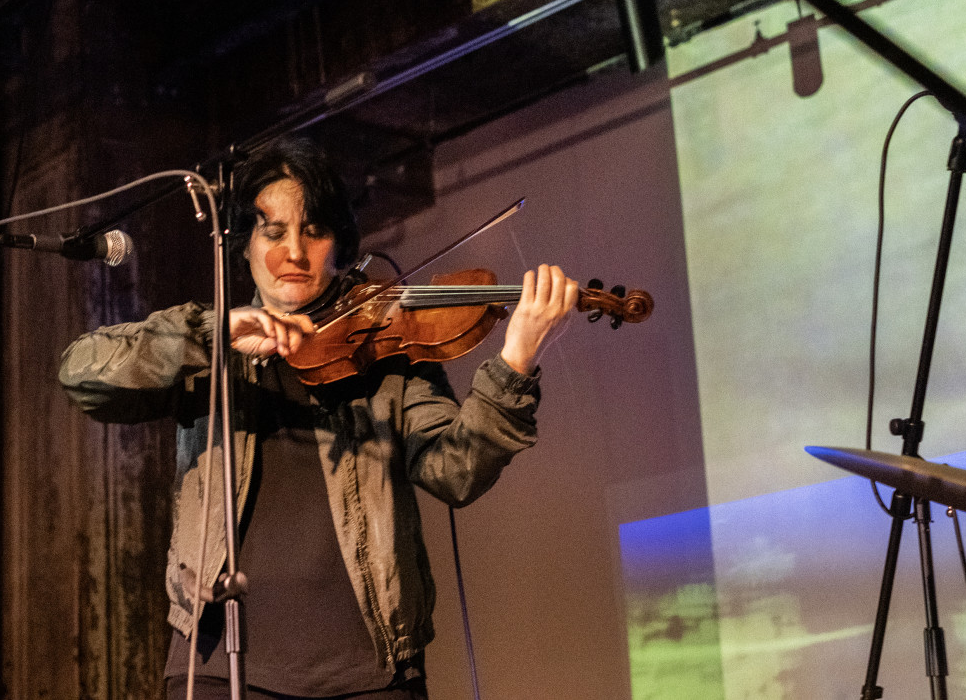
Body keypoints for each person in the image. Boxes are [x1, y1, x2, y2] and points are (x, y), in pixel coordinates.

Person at [58, 137, 577, 700]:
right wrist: (213, 334)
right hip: (217, 665)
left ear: (342, 246)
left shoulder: (387, 351)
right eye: (273, 231)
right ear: (245, 247)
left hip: (369, 671)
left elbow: (457, 472)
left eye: (314, 230)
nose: (294, 254)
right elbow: (82, 376)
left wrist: (515, 362)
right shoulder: (206, 344)